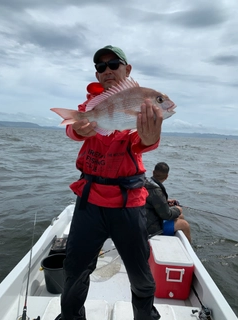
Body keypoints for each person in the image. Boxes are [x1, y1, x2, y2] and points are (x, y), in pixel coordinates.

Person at [56, 45, 163, 320]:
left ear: (127, 70)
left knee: (141, 274)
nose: (107, 71)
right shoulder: (91, 105)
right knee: (75, 270)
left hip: (128, 203)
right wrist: (77, 128)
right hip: (90, 200)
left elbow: (141, 142)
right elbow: (74, 127)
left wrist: (150, 137)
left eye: (114, 64)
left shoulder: (141, 103)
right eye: (101, 67)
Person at [145, 162, 191, 242]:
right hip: (150, 227)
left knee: (180, 217)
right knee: (185, 225)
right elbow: (166, 215)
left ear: (153, 172)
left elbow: (151, 200)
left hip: (144, 219)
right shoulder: (156, 191)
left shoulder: (146, 183)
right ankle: (190, 251)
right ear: (167, 176)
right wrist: (178, 209)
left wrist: (165, 202)